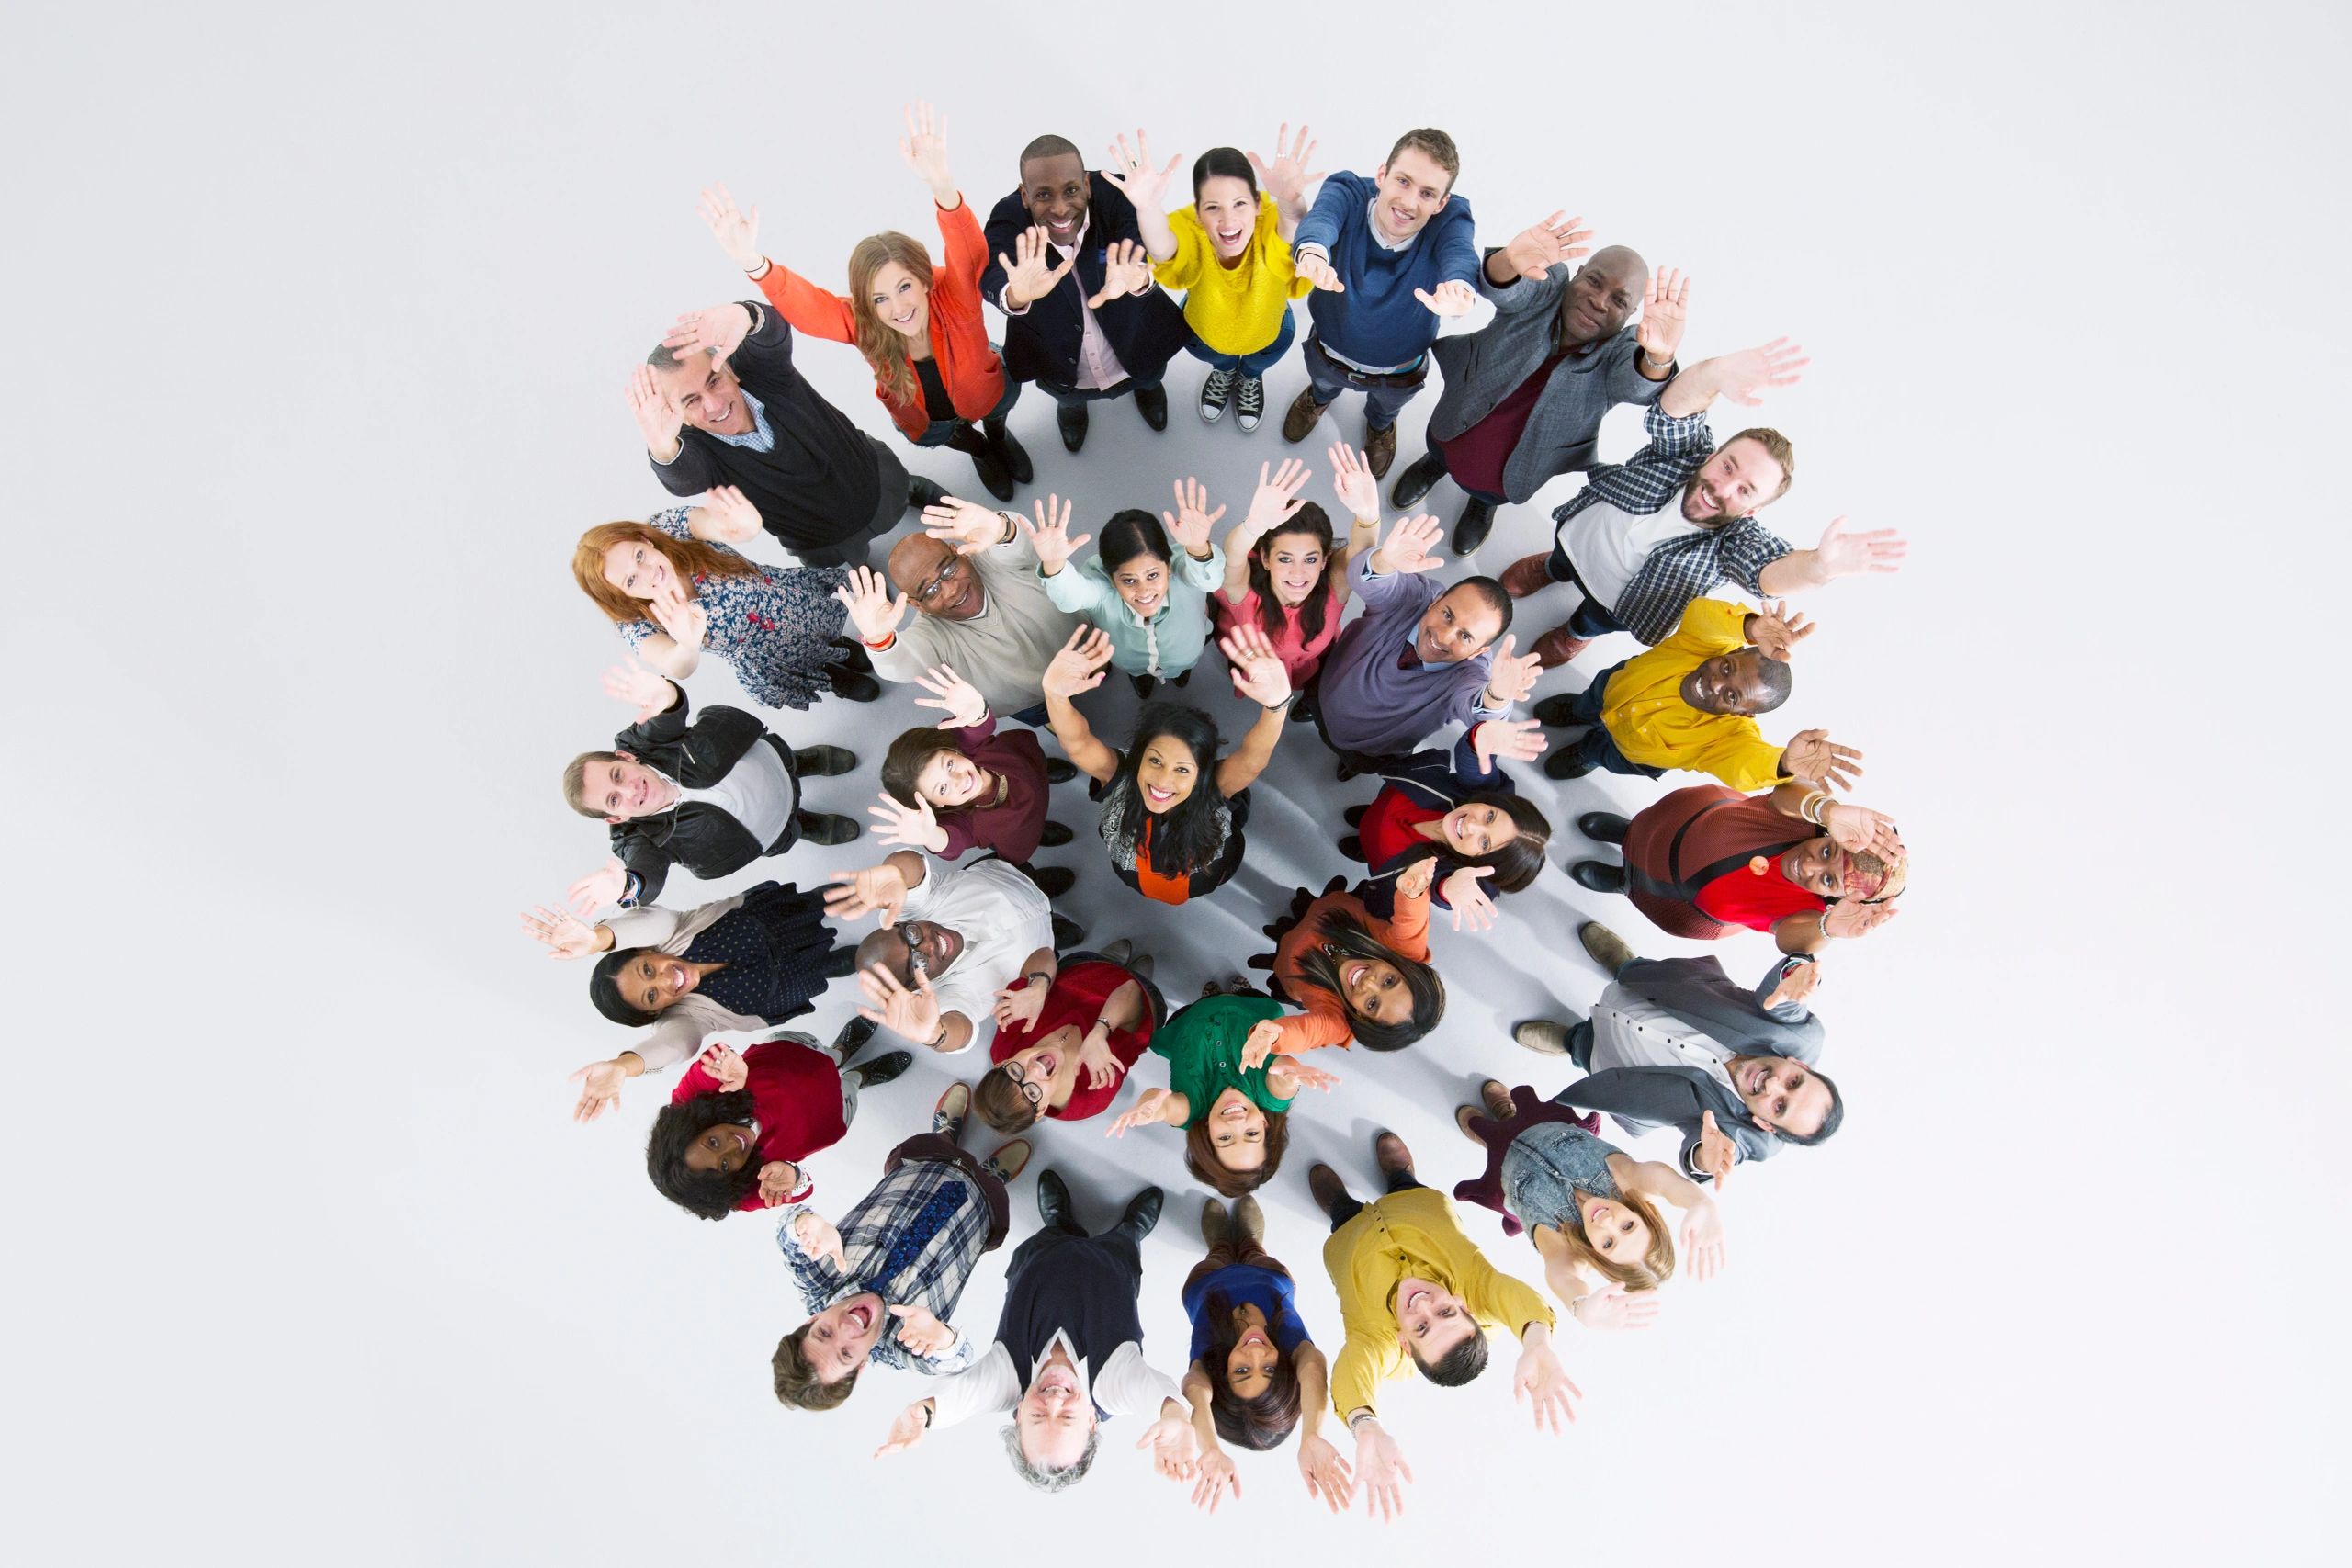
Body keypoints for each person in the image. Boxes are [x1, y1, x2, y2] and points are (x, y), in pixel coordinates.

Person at [689, 105, 1031, 502]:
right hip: (927, 416)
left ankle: (998, 436)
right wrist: (755, 263)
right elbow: (811, 312)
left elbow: (969, 254)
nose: (897, 308)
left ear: (924, 280)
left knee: (995, 409)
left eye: (904, 287)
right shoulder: (866, 325)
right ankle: (980, 449)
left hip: (985, 391)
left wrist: (943, 188)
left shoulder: (953, 296)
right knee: (950, 433)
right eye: (880, 298)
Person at [1497, 341, 1910, 667]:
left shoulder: (1735, 542)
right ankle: (1550, 569)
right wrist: (1714, 373)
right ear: (1712, 456)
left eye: (1746, 490)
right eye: (1728, 467)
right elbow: (1675, 412)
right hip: (1577, 539)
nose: (1723, 488)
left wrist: (1820, 567)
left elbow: (1769, 573)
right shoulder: (1686, 455)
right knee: (1561, 561)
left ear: (1752, 510)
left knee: (1595, 619)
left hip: (1619, 603)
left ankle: (1576, 634)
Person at [1309, 1131, 1579, 1524]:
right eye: (1446, 1312)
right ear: (1464, 1305)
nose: (1423, 1305)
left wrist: (1364, 1425)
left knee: (1343, 1215)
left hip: (1352, 1240)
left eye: (1420, 1328)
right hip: (1415, 1207)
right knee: (1405, 1186)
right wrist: (1537, 1341)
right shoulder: (1476, 1288)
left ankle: (1340, 1205)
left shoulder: (1377, 1341)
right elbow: (1513, 1299)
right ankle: (1401, 1176)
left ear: (1404, 1344)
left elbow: (1354, 1374)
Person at [872, 1173, 1200, 1494]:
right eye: (1067, 1417)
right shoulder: (1111, 1386)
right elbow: (1151, 1394)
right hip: (1111, 1267)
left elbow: (962, 1398)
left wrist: (925, 1413)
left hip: (1040, 1259)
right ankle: (1131, 1229)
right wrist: (1176, 1417)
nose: (1054, 1400)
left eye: (1039, 1415)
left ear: (1018, 1416)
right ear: (1091, 1420)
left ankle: (1060, 1222)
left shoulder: (1006, 1382)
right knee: (1123, 1245)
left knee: (1052, 1235)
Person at [1389, 225, 1679, 553]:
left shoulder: (1619, 351)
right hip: (1457, 420)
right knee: (1440, 448)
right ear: (1578, 274)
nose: (1599, 301)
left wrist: (1659, 355)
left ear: (1630, 315)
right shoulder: (1550, 285)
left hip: (1514, 469)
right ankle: (1433, 465)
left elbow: (1638, 387)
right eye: (1594, 281)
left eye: (1618, 300)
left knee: (1488, 491)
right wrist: (1509, 260)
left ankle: (1482, 505)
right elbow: (1505, 290)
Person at [770, 1083, 1033, 1411]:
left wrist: (806, 1224)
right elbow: (955, 1361)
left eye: (824, 1333)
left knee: (934, 1144)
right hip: (978, 1211)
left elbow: (787, 1235)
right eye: (846, 1353)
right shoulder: (903, 1346)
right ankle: (992, 1174)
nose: (846, 1329)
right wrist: (941, 1339)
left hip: (923, 1166)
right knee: (991, 1189)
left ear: (811, 1322)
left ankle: (946, 1134)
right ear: (861, 1367)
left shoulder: (819, 1281)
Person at [627, 300, 946, 570]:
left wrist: (748, 315)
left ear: (730, 370)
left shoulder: (760, 373)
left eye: (714, 381)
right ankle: (863, 568)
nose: (714, 405)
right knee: (856, 564)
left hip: (873, 477)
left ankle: (912, 490)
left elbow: (773, 335)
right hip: (823, 539)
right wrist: (661, 445)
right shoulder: (694, 449)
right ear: (679, 415)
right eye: (691, 401)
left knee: (902, 489)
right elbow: (683, 480)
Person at [1514, 922, 1840, 1184]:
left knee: (1589, 1050)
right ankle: (1625, 966)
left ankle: (1573, 1041)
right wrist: (1793, 974)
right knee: (1638, 974)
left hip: (1623, 1063)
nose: (1772, 1086)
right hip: (1667, 991)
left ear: (1767, 1126)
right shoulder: (1802, 1036)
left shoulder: (1749, 1139)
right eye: (1793, 1082)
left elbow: (1702, 1157)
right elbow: (1782, 996)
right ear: (1799, 1064)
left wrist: (1704, 1160)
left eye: (1779, 1106)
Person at [519, 883, 855, 1122]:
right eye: (652, 995)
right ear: (655, 1011)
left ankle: (843, 899)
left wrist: (596, 940)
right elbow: (675, 1045)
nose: (665, 980)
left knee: (830, 898)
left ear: (645, 950)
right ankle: (838, 963)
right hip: (796, 978)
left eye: (647, 969)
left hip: (780, 917)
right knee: (847, 962)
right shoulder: (687, 1019)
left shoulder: (671, 932)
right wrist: (623, 1067)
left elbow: (645, 923)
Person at [560, 665, 860, 916]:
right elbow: (645, 870)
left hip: (770, 763)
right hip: (771, 830)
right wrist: (627, 886)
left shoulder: (642, 744)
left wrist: (665, 695)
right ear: (615, 818)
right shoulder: (638, 839)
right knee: (787, 831)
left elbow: (667, 715)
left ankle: (804, 762)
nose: (630, 789)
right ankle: (804, 823)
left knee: (786, 762)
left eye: (617, 775)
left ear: (626, 757)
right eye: (614, 799)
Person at [1039, 624, 1296, 904]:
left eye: (1182, 769)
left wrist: (1277, 706)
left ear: (1201, 773)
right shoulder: (1122, 775)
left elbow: (1252, 760)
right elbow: (1078, 742)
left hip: (1204, 876)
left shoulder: (1212, 788)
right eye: (1155, 760)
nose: (1163, 781)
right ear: (1139, 755)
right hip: (1132, 873)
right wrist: (1054, 695)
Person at [1282, 128, 1480, 479]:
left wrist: (1461, 289)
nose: (1409, 202)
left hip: (1399, 368)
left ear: (1441, 203)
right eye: (1403, 181)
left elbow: (1459, 253)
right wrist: (1312, 252)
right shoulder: (1347, 191)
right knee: (1324, 383)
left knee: (1386, 408)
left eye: (1427, 193)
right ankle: (1320, 398)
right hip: (1331, 347)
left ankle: (1380, 424)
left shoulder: (1451, 219)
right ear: (1381, 175)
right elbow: (1323, 218)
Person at [979, 133, 1188, 452]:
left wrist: (1138, 277)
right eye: (1043, 195)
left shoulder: (1119, 193)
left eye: (1071, 190)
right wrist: (1015, 295)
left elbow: (1141, 236)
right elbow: (992, 271)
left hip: (1136, 341)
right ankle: (1072, 409)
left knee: (1149, 376)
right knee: (1067, 396)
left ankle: (1147, 389)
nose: (1060, 208)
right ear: (1024, 195)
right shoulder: (1007, 217)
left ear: (1087, 184)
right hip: (1059, 364)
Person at [1450, 1079, 1726, 1316]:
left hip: (1505, 1167)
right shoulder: (1630, 1181)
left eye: (1608, 1243)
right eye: (1628, 1226)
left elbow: (1562, 1276)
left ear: (1596, 1256)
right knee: (1523, 1109)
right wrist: (1700, 1202)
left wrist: (1580, 1306)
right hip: (1550, 1126)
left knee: (1495, 1142)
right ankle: (1507, 1112)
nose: (1606, 1222)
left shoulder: (1567, 1249)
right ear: (1644, 1214)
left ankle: (1490, 1138)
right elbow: (1663, 1180)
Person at [571, 499, 880, 709]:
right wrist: (687, 645)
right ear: (622, 595)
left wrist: (742, 526)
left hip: (782, 597)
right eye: (630, 580)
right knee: (803, 661)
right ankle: (830, 673)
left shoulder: (669, 529)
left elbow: (715, 524)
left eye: (639, 556)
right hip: (767, 654)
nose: (649, 572)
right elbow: (676, 666)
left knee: (818, 625)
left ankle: (838, 646)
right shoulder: (635, 621)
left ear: (645, 540)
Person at [1107, 128, 1318, 432]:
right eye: (1213, 207)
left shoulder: (1271, 223)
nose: (1228, 220)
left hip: (1270, 335)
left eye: (1239, 204)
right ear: (1197, 212)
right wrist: (1148, 208)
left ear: (1258, 204)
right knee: (1220, 360)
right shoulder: (1192, 231)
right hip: (1202, 334)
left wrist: (1290, 200)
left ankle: (1249, 376)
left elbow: (1293, 232)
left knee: (1256, 364)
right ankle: (1225, 371)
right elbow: (1163, 249)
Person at [1532, 597, 1863, 787]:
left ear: (1744, 713)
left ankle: (1587, 754)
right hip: (1610, 690)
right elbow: (1702, 615)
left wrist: (1784, 763)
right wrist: (1749, 627)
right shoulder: (1702, 644)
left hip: (1629, 753)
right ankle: (1578, 711)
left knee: (1605, 755)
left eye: (1732, 696)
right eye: (1727, 667)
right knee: (1589, 701)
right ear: (1732, 651)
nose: (1716, 683)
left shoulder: (1729, 737)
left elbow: (1744, 764)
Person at [1309, 511, 1543, 777]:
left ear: (1479, 652)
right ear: (1436, 600)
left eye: (1465, 637)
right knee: (1313, 706)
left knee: (1356, 763)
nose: (1443, 637)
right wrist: (1384, 561)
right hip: (1323, 688)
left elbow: (1479, 714)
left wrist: (1497, 695)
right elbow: (1371, 583)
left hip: (1366, 750)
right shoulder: (1417, 596)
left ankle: (1348, 764)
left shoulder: (1469, 674)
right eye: (1447, 615)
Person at [1569, 784, 1909, 956]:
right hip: (1677, 822)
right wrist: (1826, 809)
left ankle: (1624, 882)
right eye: (1826, 851)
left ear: (1834, 899)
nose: (1808, 865)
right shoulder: (1805, 819)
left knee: (1646, 887)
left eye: (1828, 879)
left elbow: (1793, 941)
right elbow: (1788, 791)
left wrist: (1828, 930)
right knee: (1650, 831)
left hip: (1676, 901)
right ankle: (1627, 833)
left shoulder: (1809, 914)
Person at [832, 495, 1080, 723]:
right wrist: (879, 639)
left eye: (949, 570)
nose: (951, 590)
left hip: (1088, 648)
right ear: (917, 605)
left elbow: (1021, 546)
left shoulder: (987, 554)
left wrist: (1002, 529)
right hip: (1033, 702)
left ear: (957, 551)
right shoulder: (930, 635)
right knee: (1047, 717)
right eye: (931, 590)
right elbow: (902, 663)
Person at [1178, 1195, 1351, 1516]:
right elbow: (1313, 1368)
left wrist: (1210, 1447)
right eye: (1269, 1369)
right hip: (1268, 1275)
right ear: (1285, 1371)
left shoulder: (1207, 1357)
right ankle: (1249, 1242)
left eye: (1242, 1371)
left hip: (1208, 1280)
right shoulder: (1293, 1347)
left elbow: (1195, 1391)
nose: (1256, 1352)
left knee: (1218, 1256)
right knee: (1254, 1253)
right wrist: (1311, 1434)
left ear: (1221, 1374)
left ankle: (1220, 1246)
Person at [822, 848, 1066, 1057]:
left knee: (1028, 864)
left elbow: (912, 868)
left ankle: (1041, 887)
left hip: (1008, 875)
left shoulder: (907, 909)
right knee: (1056, 933)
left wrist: (894, 873)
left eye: (912, 935)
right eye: (918, 963)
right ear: (914, 987)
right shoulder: (947, 996)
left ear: (903, 923)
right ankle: (1056, 923)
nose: (929, 946)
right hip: (1041, 942)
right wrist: (935, 1035)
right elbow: (959, 1030)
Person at [644, 1033, 911, 1221]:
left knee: (826, 1054)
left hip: (793, 1056)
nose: (732, 1147)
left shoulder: (688, 1105)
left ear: (694, 1128)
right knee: (848, 1090)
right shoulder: (741, 1192)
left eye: (712, 1143)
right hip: (828, 1113)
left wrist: (725, 1066)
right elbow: (801, 1189)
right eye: (724, 1166)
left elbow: (708, 1065)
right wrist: (793, 1176)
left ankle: (840, 1052)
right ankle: (858, 1077)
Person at [870, 662, 1079, 897]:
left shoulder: (967, 748)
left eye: (949, 764)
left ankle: (1043, 772)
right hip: (1021, 831)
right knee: (1030, 830)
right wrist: (930, 835)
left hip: (1026, 767)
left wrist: (978, 711)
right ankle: (1038, 831)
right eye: (942, 788)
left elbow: (977, 726)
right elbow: (951, 842)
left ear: (952, 750)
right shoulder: (964, 822)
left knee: (1035, 769)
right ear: (937, 804)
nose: (959, 779)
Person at [1103, 993, 1340, 1197]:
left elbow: (1163, 1107)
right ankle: (1232, 990)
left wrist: (1148, 1110)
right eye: (1251, 1133)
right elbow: (1284, 1078)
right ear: (1264, 1123)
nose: (1236, 1123)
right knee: (1244, 992)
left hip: (1189, 1019)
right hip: (1248, 1006)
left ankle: (1210, 994)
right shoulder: (1270, 1097)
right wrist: (1292, 1071)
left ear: (1208, 1133)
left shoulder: (1191, 1111)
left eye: (1225, 1138)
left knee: (1200, 1001)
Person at [1340, 719, 1553, 925]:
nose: (1472, 825)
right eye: (1490, 817)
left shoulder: (1445, 870)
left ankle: (1365, 848)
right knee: (1372, 818)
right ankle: (1367, 821)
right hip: (1388, 804)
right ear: (1493, 802)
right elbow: (1474, 761)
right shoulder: (1482, 791)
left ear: (1478, 863)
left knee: (1373, 845)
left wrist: (1448, 888)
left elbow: (1441, 886)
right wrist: (1479, 740)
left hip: (1382, 857)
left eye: (1485, 842)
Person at [1210, 448, 1379, 699]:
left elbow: (1361, 553)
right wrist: (1253, 526)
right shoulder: (1243, 592)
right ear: (1265, 559)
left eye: (1310, 559)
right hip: (1252, 663)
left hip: (1309, 666)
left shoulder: (1333, 588)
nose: (1298, 573)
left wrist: (1368, 515)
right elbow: (1233, 554)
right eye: (1285, 558)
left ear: (1323, 560)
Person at [1031, 486, 1225, 695]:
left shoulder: (1183, 569)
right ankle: (1141, 677)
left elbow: (1209, 580)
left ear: (1168, 567)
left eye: (1153, 575)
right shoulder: (1102, 589)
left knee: (1182, 669)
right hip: (1131, 663)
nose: (1144, 591)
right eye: (1129, 580)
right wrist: (1053, 564)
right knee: (1139, 673)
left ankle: (1180, 673)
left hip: (1185, 655)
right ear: (1112, 579)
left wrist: (1198, 549)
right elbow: (1070, 598)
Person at [1254, 864, 1448, 1055]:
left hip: (1287, 958)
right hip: (1328, 909)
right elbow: (1412, 922)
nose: (1369, 983)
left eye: (1372, 1003)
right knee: (1302, 906)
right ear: (1403, 968)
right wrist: (1414, 890)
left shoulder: (1337, 1019)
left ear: (1361, 1016)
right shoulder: (1402, 951)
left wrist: (1276, 1038)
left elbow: (1310, 1032)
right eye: (1389, 981)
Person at [974, 940, 1163, 1134]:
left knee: (1105, 962)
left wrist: (1038, 984)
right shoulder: (1089, 1098)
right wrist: (1100, 1032)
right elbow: (1132, 990)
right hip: (1140, 1002)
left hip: (1083, 968)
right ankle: (1136, 971)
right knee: (1140, 980)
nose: (1035, 1070)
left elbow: (1044, 954)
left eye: (1015, 1072)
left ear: (1001, 1064)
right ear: (1041, 1111)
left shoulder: (1004, 1045)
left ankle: (1108, 959)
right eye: (1032, 1092)